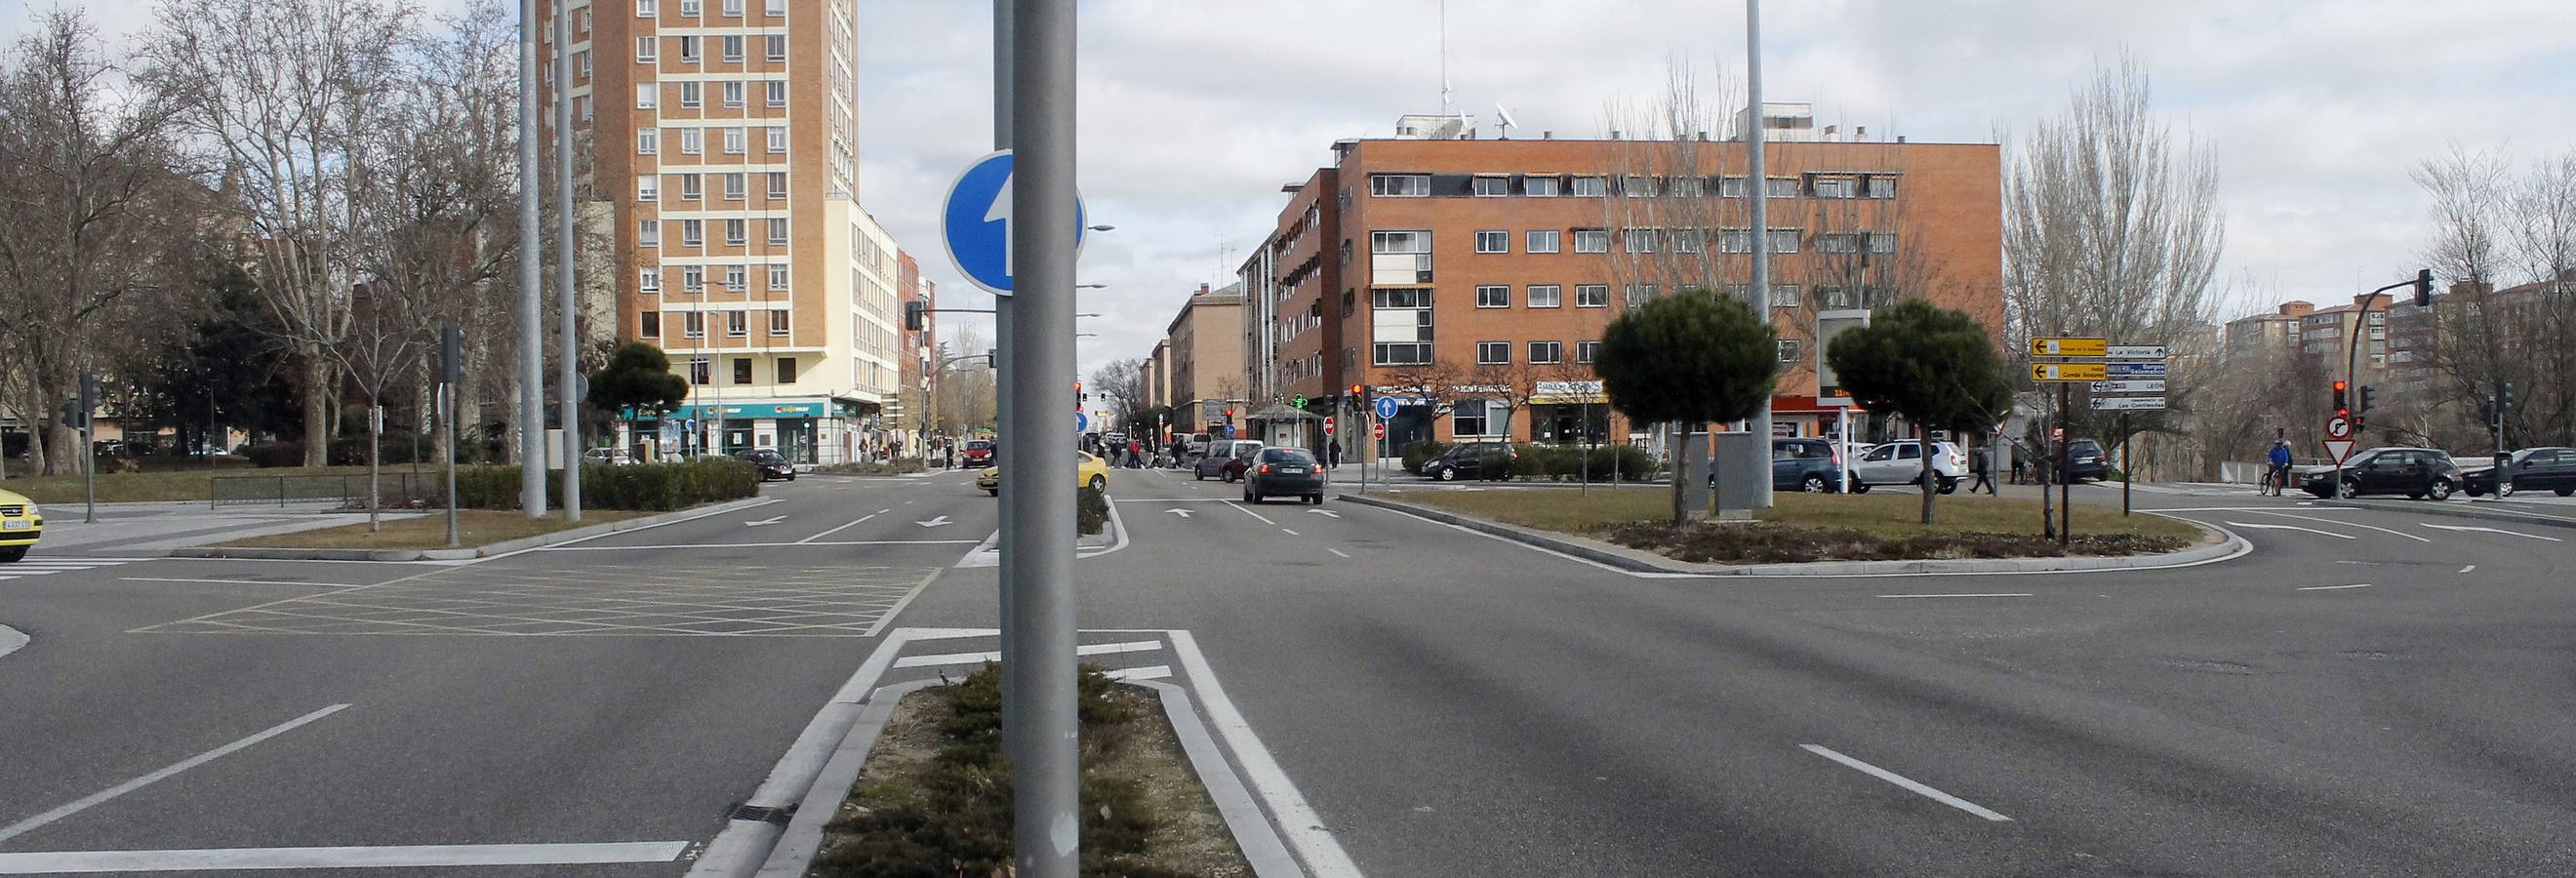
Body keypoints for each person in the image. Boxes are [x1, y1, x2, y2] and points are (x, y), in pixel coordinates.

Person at [2266, 432, 2294, 496]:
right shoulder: (2273, 450)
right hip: (2274, 463)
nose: (2279, 445)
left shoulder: (2283, 450)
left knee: (2281, 476)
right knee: (2271, 471)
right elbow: (2270, 456)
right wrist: (2270, 461)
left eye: (2280, 444)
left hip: (2281, 464)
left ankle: (2278, 489)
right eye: (2278, 444)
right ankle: (2268, 480)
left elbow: (2286, 457)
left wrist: (2285, 463)